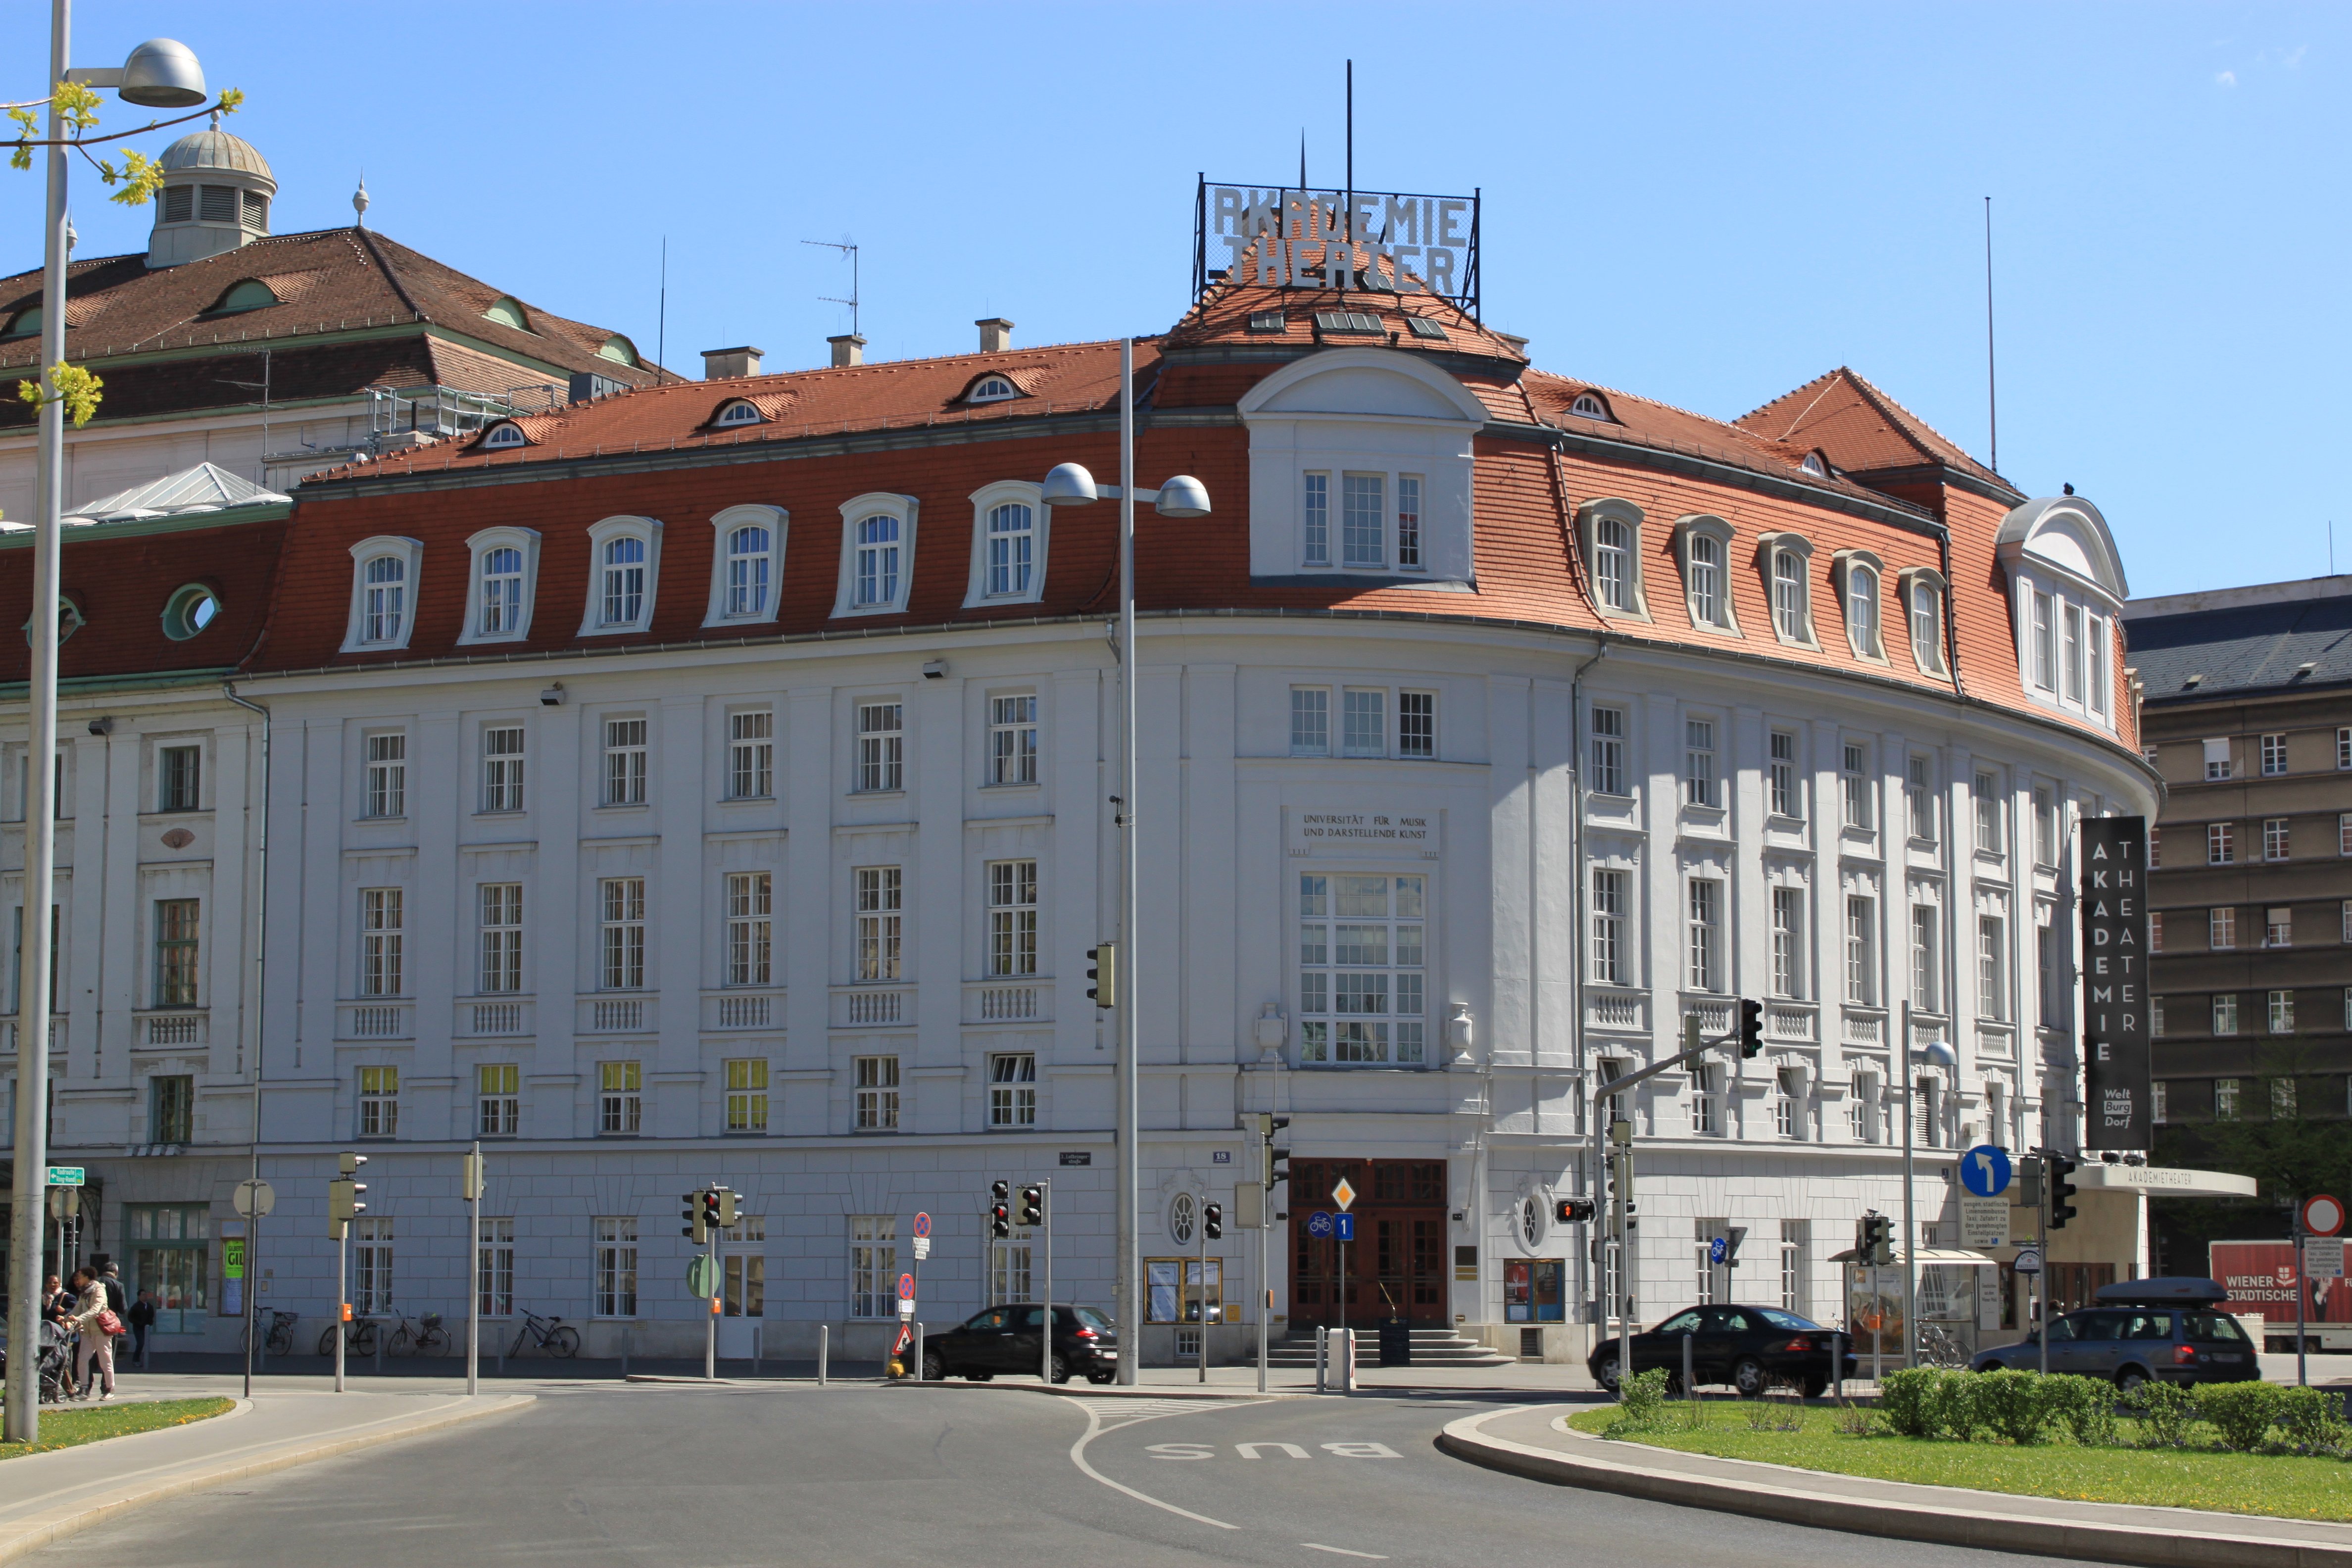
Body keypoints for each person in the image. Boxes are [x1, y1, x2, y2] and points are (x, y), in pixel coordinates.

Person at [67, 1267, 115, 1402]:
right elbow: (77, 1309)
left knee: (105, 1361)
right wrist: (66, 1318)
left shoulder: (99, 1289)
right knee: (82, 1359)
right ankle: (84, 1389)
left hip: (100, 1330)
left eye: (80, 1277)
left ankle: (110, 1389)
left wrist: (79, 1319)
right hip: (87, 1331)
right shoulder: (84, 1292)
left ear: (87, 1277)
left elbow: (96, 1309)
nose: (77, 1280)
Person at [128, 1289, 157, 1367]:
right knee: (141, 1343)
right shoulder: (136, 1306)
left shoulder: (149, 1306)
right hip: (138, 1328)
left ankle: (144, 1360)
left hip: (146, 1328)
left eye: (146, 1295)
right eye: (143, 1295)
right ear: (139, 1297)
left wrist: (150, 1323)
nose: (145, 1296)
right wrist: (138, 1323)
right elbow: (131, 1317)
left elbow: (152, 1316)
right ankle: (136, 1360)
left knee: (145, 1344)